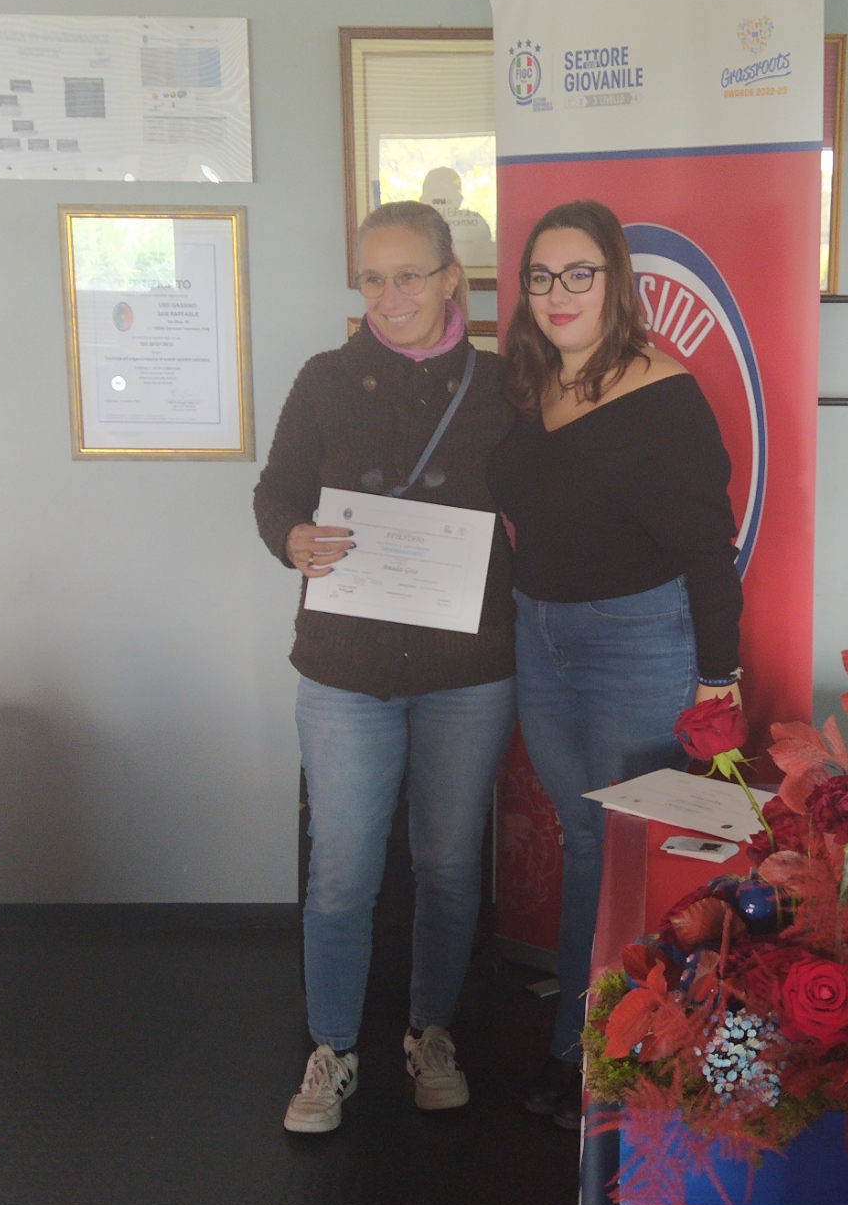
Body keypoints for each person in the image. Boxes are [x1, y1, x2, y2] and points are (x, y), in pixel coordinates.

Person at [254, 201, 516, 1134]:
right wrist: (292, 538)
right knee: (342, 868)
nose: (389, 294)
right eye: (373, 277)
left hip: (466, 668)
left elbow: (548, 501)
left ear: (451, 279)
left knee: (448, 863)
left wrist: (525, 534)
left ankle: (429, 1031)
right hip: (345, 667)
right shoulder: (325, 378)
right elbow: (275, 493)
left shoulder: (504, 386)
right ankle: (331, 1045)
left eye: (409, 275)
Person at [487, 200, 743, 1129]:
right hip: (541, 636)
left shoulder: (662, 397)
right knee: (585, 842)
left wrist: (718, 678)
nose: (558, 293)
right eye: (540, 276)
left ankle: (627, 1065)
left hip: (637, 642)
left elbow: (709, 552)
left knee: (633, 856)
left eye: (578, 274)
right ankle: (581, 1045)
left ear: (615, 283)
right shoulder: (528, 385)